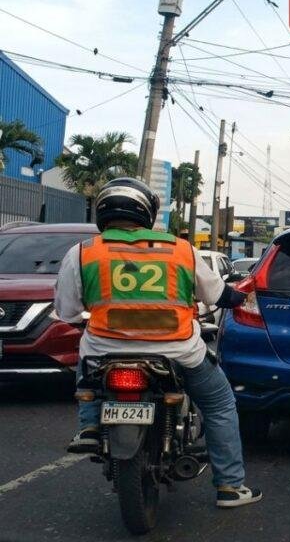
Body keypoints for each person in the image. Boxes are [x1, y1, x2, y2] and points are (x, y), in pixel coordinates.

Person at [55, 177, 262, 509]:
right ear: (147, 213)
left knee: (86, 364)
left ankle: (90, 427)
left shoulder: (83, 252)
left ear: (102, 212)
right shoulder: (180, 250)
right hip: (178, 352)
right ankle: (229, 487)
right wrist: (239, 297)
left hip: (105, 351)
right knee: (220, 404)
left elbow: (67, 311)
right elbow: (217, 294)